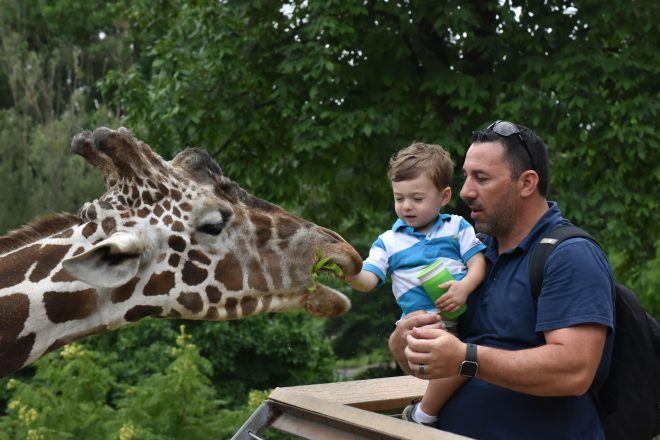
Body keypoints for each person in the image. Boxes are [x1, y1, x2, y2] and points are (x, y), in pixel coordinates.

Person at [388, 121, 616, 439]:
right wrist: (405, 345)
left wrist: (466, 358)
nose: (465, 191)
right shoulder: (475, 257)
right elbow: (444, 362)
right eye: (466, 176)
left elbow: (573, 370)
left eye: (481, 178)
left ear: (526, 183)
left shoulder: (570, 255)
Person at [346, 142, 487, 426]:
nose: (406, 206)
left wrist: (463, 288)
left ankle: (425, 413)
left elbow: (478, 263)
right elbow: (367, 281)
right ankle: (423, 415)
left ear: (444, 196)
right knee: (460, 365)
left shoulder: (457, 227)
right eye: (399, 198)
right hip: (420, 322)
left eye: (417, 198)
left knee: (462, 362)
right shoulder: (389, 241)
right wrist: (347, 269)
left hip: (459, 315)